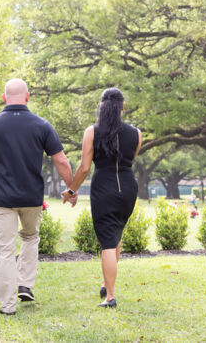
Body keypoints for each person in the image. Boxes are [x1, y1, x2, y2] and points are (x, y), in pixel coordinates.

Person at [0, 78, 76, 316]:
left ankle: (8, 306)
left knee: (4, 250)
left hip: (2, 200)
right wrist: (71, 189)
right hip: (32, 198)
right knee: (30, 237)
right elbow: (61, 160)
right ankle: (25, 283)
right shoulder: (42, 125)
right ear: (28, 96)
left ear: (4, 98)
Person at [62, 87, 142, 308]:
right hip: (128, 189)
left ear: (101, 107)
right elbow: (130, 158)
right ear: (122, 107)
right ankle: (107, 284)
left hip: (104, 189)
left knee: (107, 241)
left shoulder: (92, 131)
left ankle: (111, 296)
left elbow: (85, 167)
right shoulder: (136, 133)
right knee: (115, 236)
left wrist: (71, 190)